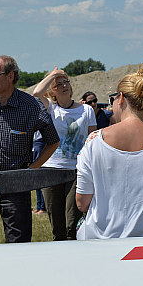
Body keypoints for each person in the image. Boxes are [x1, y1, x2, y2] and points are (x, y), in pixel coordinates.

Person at [0, 56, 59, 244]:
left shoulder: (30, 105)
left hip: (16, 183)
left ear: (10, 76)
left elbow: (53, 141)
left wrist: (34, 167)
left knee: (18, 242)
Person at [76, 67, 143, 239]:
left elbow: (82, 203)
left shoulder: (94, 142)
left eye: (113, 98)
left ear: (122, 98)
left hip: (100, 240)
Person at [32, 68, 97, 240]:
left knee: (72, 223)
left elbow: (92, 141)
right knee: (57, 225)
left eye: (65, 82)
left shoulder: (86, 111)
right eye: (58, 84)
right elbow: (36, 92)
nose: (63, 86)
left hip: (76, 171)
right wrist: (53, 74)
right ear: (52, 91)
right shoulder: (51, 109)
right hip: (51, 170)